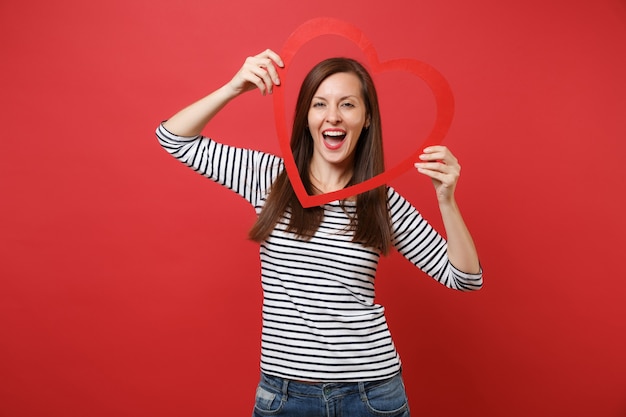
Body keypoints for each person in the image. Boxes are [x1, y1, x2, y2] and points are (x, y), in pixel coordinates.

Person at [156, 48, 482, 417]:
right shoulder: (269, 177)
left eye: (347, 105)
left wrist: (446, 200)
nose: (332, 117)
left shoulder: (380, 201)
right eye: (319, 104)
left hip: (371, 394)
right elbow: (173, 138)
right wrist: (234, 88)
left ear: (367, 118)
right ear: (306, 118)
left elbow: (465, 278)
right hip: (284, 394)